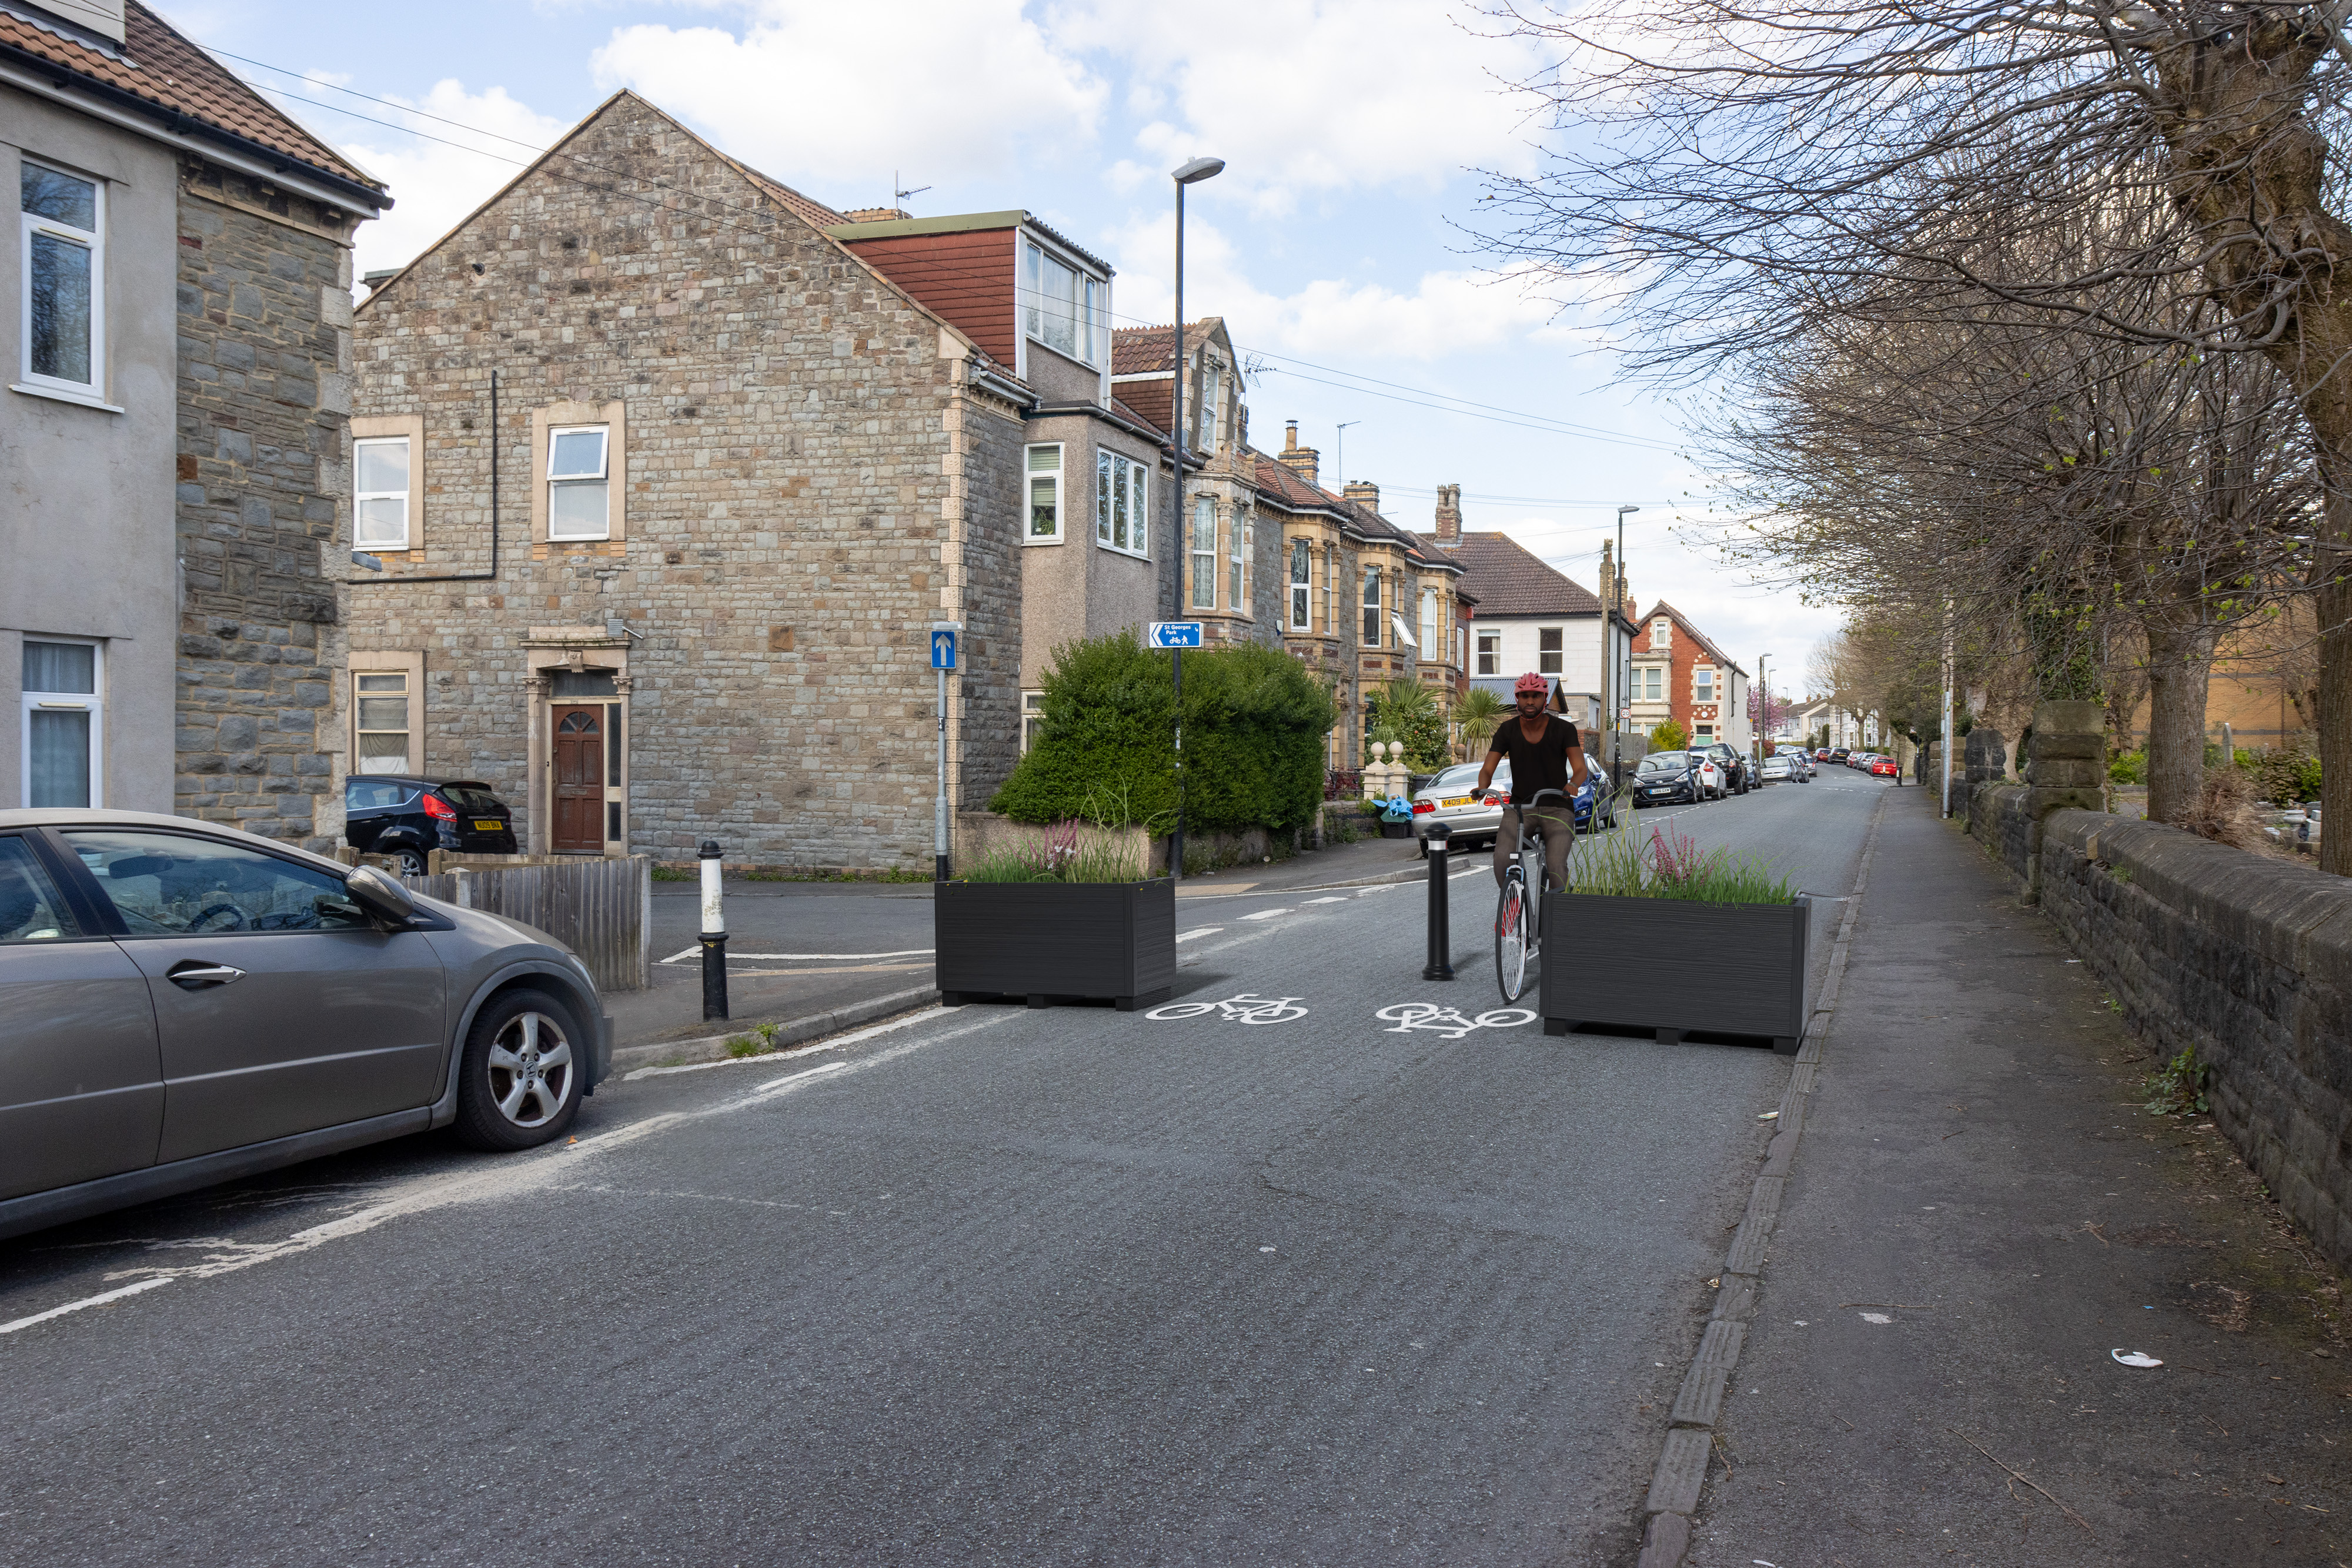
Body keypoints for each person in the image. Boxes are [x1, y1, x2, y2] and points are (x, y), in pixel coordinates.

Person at [1477, 672, 1589, 891]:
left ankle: (1556, 918)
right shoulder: (1507, 730)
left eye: (1536, 696)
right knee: (1502, 860)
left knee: (1556, 866)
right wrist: (1483, 786)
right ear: (1517, 699)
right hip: (1520, 808)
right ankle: (1514, 908)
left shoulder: (1564, 730)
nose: (1530, 700)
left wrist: (1573, 785)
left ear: (1545, 699)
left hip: (1558, 807)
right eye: (1524, 695)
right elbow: (1488, 768)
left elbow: (1580, 768)